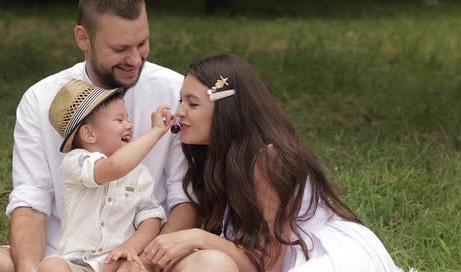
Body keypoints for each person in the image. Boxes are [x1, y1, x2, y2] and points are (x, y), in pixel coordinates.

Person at [0, 0, 196, 272]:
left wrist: (144, 262)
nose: (136, 59)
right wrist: (31, 269)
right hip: (61, 256)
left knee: (211, 264)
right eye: (121, 48)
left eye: (143, 43)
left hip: (144, 255)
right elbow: (31, 202)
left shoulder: (177, 93)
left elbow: (185, 199)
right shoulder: (42, 99)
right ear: (83, 38)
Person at [142, 55, 399, 272]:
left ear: (226, 110)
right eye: (181, 100)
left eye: (193, 103)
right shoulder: (212, 158)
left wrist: (197, 237)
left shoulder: (267, 161)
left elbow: (267, 264)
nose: (180, 112)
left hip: (323, 257)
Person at [39, 79, 175, 272]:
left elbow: (150, 219)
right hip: (78, 264)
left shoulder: (139, 173)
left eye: (128, 119)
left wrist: (131, 247)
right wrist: (155, 132)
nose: (129, 125)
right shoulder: (76, 163)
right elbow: (114, 167)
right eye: (119, 120)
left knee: (134, 268)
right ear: (89, 134)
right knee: (52, 266)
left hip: (116, 262)